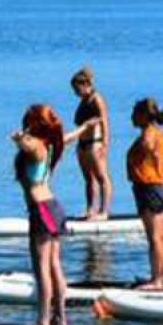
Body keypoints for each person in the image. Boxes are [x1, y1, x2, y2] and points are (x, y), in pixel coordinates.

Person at [13, 104, 69, 325]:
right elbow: (67, 138)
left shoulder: (36, 147)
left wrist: (19, 138)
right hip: (53, 207)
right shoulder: (51, 144)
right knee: (54, 265)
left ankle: (43, 322)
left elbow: (27, 145)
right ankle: (60, 318)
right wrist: (84, 129)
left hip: (42, 210)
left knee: (42, 269)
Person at [125, 97, 163, 289]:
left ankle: (157, 280)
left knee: (154, 237)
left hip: (149, 188)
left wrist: (151, 153)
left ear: (144, 115)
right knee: (160, 236)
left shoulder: (148, 135)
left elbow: (150, 149)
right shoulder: (160, 134)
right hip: (158, 187)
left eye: (135, 113)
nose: (131, 117)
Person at [62, 67, 111, 220]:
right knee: (88, 179)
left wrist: (105, 143)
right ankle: (90, 209)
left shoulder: (96, 98)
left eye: (77, 89)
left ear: (84, 85)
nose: (75, 93)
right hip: (82, 144)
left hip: (94, 143)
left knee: (102, 177)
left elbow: (104, 121)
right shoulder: (83, 100)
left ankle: (104, 211)